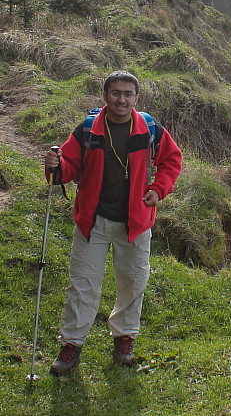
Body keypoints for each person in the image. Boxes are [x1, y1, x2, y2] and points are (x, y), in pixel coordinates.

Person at [44, 71, 182, 376]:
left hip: (135, 222)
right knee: (82, 284)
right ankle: (71, 345)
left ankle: (124, 338)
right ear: (105, 95)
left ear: (136, 98)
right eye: (116, 93)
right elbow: (67, 166)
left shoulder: (148, 129)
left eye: (128, 94)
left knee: (133, 281)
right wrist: (54, 166)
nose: (121, 99)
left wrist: (159, 189)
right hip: (93, 221)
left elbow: (172, 160)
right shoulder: (89, 129)